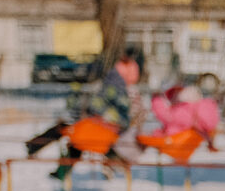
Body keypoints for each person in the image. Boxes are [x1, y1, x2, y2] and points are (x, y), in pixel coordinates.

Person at [24, 46, 144, 181]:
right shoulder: (116, 85)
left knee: (73, 137)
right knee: (72, 136)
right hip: (104, 125)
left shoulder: (119, 85)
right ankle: (44, 153)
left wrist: (114, 117)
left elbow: (108, 106)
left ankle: (42, 152)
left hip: (107, 126)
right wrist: (113, 117)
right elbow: (102, 105)